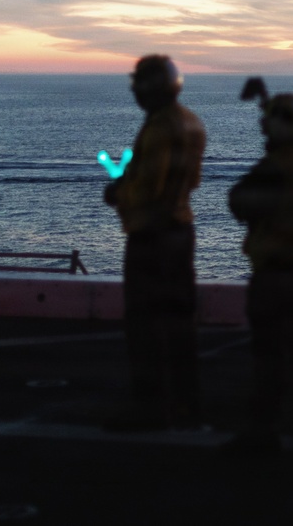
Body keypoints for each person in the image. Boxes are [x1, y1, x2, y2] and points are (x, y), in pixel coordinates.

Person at [226, 87, 293, 454]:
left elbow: (240, 201)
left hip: (275, 269)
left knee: (268, 355)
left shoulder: (278, 166)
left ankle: (263, 429)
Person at [103, 54, 206, 431]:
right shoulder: (191, 121)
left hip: (153, 234)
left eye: (139, 84)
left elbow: (148, 187)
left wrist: (117, 192)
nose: (135, 91)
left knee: (145, 324)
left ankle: (150, 407)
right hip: (180, 230)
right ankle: (184, 402)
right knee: (179, 323)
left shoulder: (161, 127)